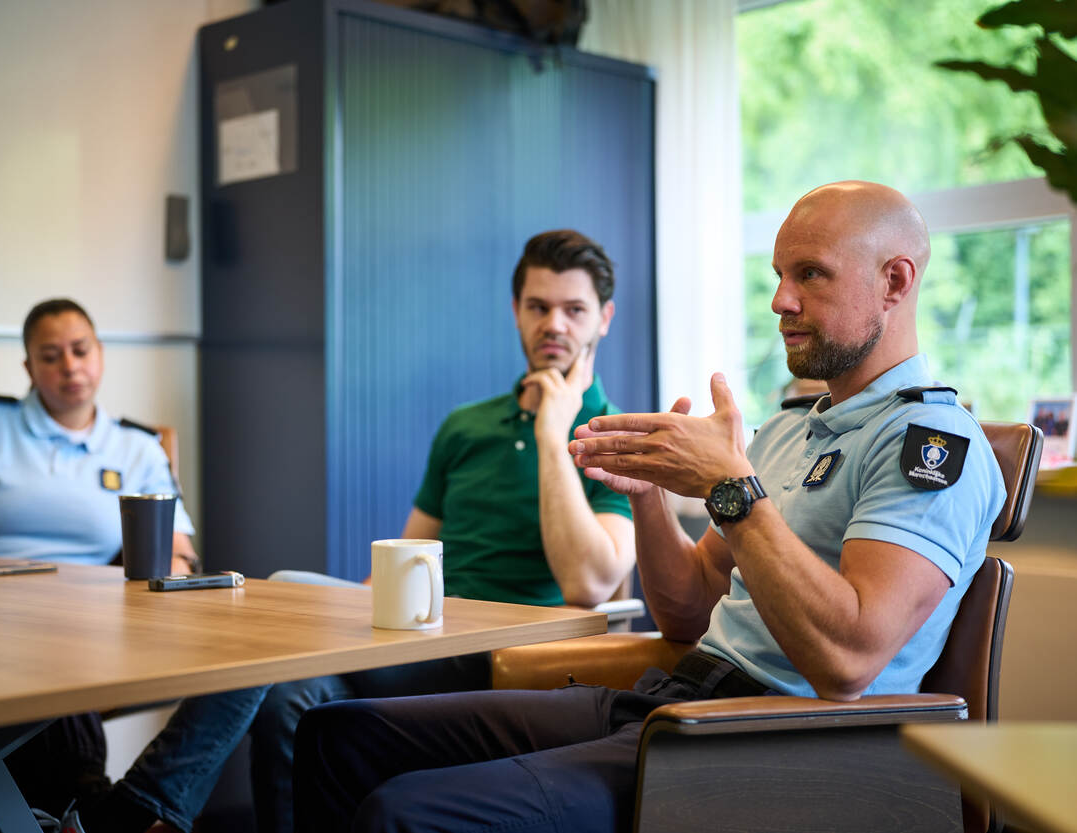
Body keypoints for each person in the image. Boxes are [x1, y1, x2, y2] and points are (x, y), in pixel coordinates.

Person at [291, 181, 1008, 833]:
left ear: (895, 282)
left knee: (403, 813)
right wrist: (652, 500)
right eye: (778, 276)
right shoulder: (793, 425)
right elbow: (686, 611)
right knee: (337, 734)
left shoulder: (933, 442)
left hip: (761, 739)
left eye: (810, 274)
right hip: (674, 695)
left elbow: (848, 662)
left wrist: (732, 489)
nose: (780, 300)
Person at [249, 229, 637, 832]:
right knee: (284, 692)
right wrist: (352, 620)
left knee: (279, 603)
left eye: (574, 309)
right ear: (516, 312)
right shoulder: (465, 426)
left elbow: (590, 582)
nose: (554, 324)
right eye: (538, 307)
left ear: (604, 319)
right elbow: (403, 559)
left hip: (509, 654)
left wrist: (551, 432)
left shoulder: (616, 435)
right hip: (424, 636)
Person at [0, 298, 269, 833]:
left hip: (99, 622)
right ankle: (98, 811)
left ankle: (126, 806)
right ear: (28, 368)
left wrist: (176, 568)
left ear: (101, 355)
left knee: (255, 660)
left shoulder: (137, 447)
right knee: (46, 655)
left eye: (80, 350)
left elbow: (179, 550)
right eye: (50, 356)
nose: (69, 367)